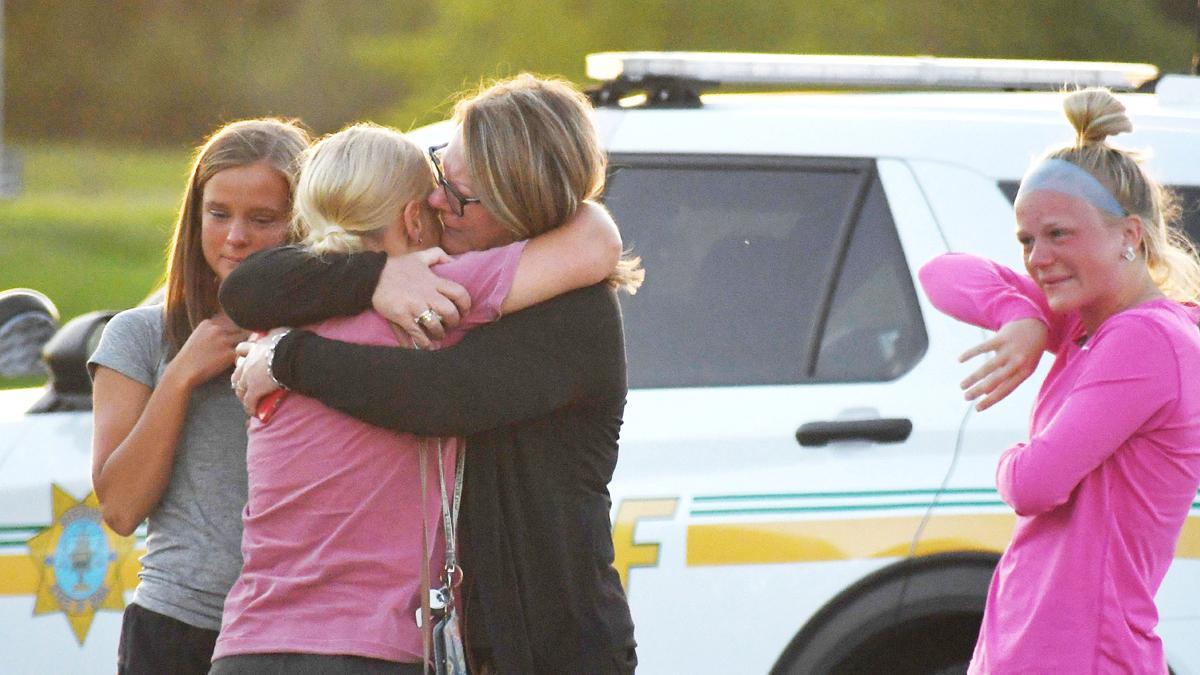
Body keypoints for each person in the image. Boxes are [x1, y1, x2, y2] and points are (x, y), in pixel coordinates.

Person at [221, 74, 643, 674]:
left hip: (551, 650)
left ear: (522, 209)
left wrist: (289, 358)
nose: (437, 201)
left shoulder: (573, 315)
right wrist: (375, 278)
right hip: (456, 648)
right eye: (439, 171)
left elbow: (443, 395)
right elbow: (249, 287)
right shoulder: (428, 277)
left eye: (460, 196)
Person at [919, 88, 1200, 673]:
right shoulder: (1088, 322)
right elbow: (942, 273)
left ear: (1129, 235)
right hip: (1033, 648)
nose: (1037, 258)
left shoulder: (1145, 340)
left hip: (1081, 655)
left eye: (1058, 234)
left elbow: (1033, 484)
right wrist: (1019, 316)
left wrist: (1007, 459)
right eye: (1027, 240)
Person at [88, 118, 311, 675]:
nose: (236, 236)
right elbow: (119, 508)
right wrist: (183, 373)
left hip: (301, 630)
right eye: (218, 214)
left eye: (263, 219)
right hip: (177, 626)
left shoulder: (331, 334)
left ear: (304, 221)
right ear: (195, 215)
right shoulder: (139, 335)